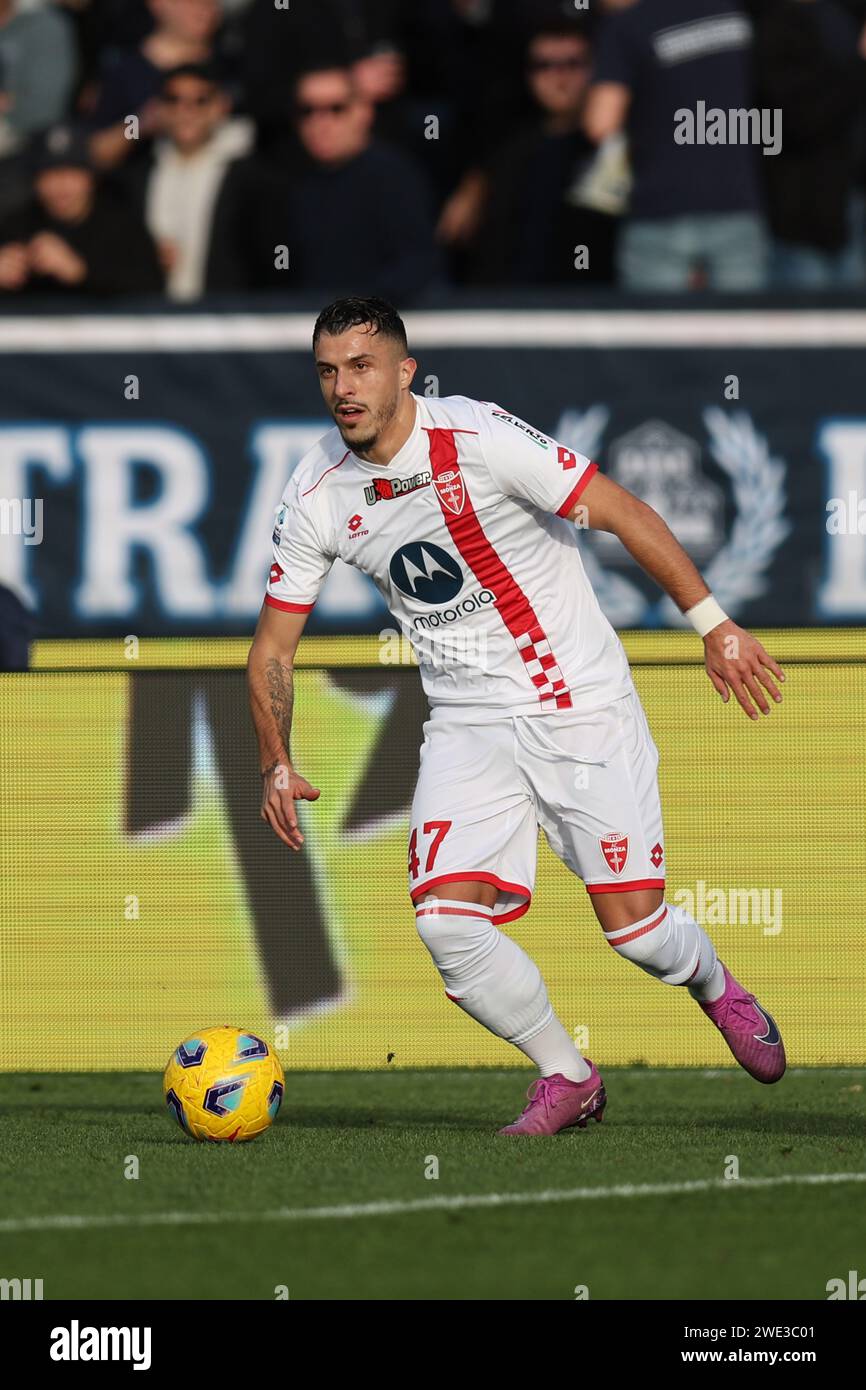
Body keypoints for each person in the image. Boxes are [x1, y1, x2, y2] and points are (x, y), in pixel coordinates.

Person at [247, 295, 787, 1138]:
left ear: (402, 372)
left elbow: (622, 511)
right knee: (445, 924)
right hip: (466, 721)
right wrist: (275, 759)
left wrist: (712, 625)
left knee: (638, 934)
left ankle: (714, 984)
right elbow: (273, 650)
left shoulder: (480, 436)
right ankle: (567, 1076)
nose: (342, 388)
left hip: (577, 704)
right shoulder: (316, 491)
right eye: (326, 371)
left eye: (360, 367)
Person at [585, 0, 769, 291]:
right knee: (741, 332)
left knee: (657, 334)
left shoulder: (628, 24)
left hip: (660, 207)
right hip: (736, 201)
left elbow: (601, 122)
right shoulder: (737, 12)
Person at [258, 67, 443, 300]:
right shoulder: (286, 181)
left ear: (364, 111)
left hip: (376, 325)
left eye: (337, 109)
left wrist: (353, 310)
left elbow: (417, 265)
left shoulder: (394, 177)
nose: (320, 122)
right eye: (307, 111)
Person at [467, 17, 618, 285]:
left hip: (599, 308)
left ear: (595, 69)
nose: (558, 77)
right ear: (528, 75)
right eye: (544, 66)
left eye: (572, 64)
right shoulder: (508, 152)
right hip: (516, 309)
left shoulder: (615, 145)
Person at [124, 62, 255, 299]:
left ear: (221, 106)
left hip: (227, 317)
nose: (186, 111)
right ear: (159, 108)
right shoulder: (138, 175)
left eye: (200, 100)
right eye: (173, 100)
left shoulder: (250, 176)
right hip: (152, 316)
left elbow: (269, 258)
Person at [0, 124, 163, 296]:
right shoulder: (16, 225)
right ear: (35, 181)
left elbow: (151, 287)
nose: (62, 186)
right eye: (50, 175)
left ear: (91, 178)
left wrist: (80, 272)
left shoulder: (122, 224)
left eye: (72, 174)